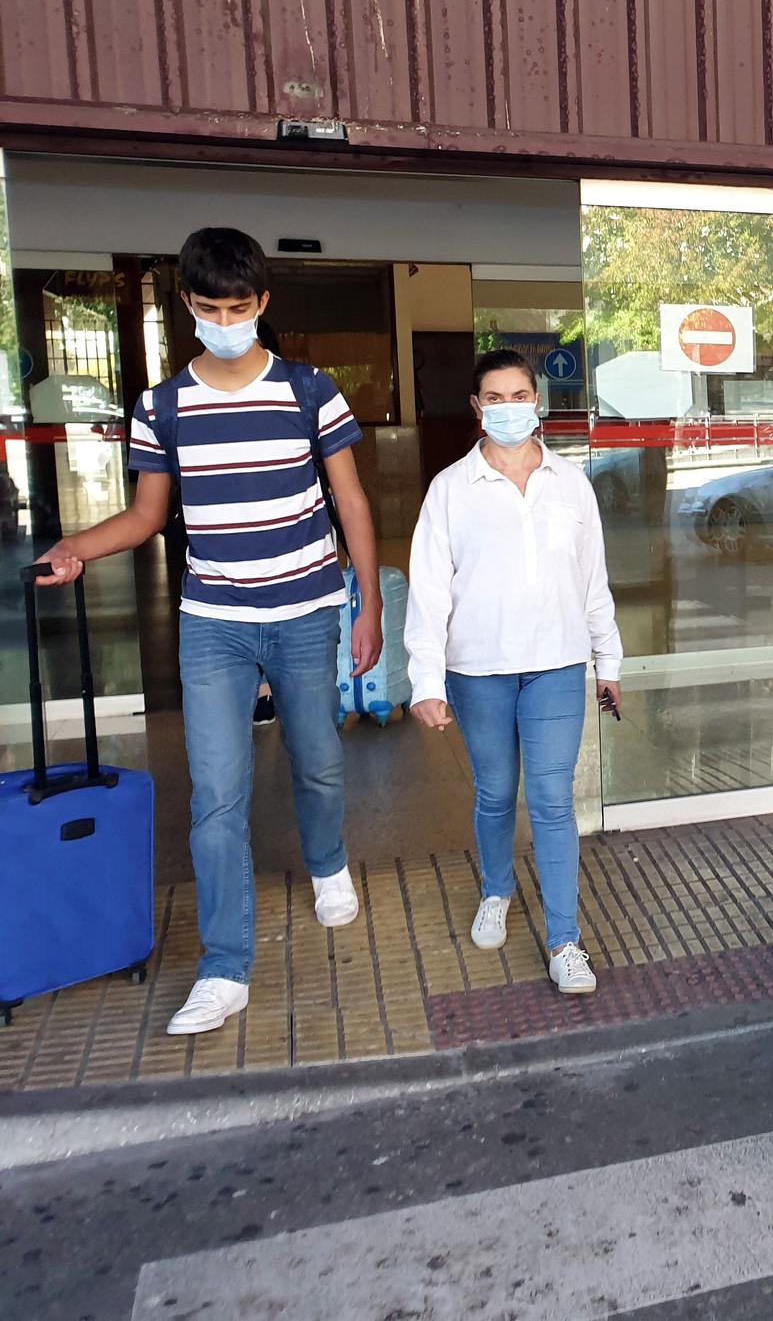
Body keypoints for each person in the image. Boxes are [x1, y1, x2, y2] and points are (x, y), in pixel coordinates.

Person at [38, 227, 383, 1036]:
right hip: (215, 625)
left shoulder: (309, 390)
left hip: (305, 613)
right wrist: (74, 547)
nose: (225, 319)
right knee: (216, 798)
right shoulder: (161, 405)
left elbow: (352, 504)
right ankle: (226, 967)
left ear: (262, 304)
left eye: (239, 306)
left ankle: (329, 862)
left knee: (319, 762)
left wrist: (365, 606)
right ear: (187, 306)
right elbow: (147, 516)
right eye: (208, 307)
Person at [405, 348, 621, 996]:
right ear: (477, 408)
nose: (508, 408)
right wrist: (427, 680)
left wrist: (607, 659)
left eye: (519, 394)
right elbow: (429, 591)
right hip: (480, 670)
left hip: (556, 664)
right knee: (496, 792)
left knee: (553, 800)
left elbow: (593, 580)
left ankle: (564, 940)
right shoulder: (451, 489)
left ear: (537, 400)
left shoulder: (570, 483)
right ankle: (497, 890)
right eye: (494, 398)